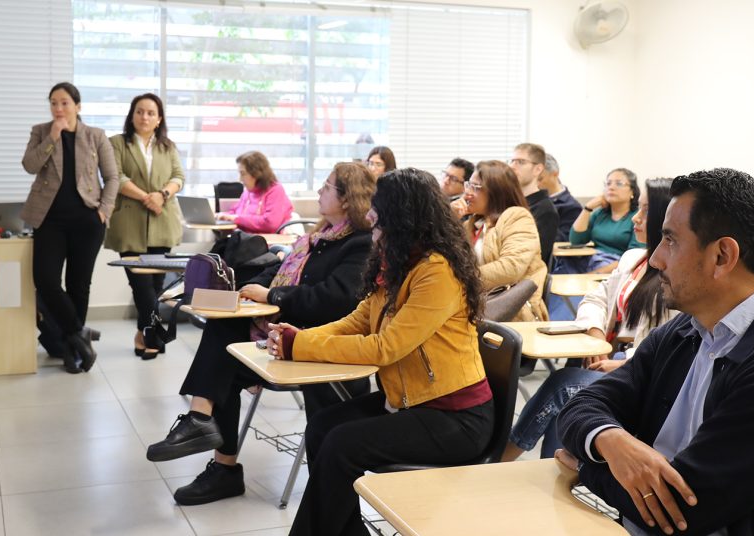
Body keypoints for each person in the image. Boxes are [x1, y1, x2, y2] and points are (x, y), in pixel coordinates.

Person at [556, 168, 754, 536]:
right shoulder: (689, 328)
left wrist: (584, 465)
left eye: (670, 241)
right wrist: (609, 438)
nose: (655, 259)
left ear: (722, 256)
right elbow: (583, 404)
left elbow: (684, 511)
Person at [266, 168, 493, 536]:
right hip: (408, 400)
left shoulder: (437, 272)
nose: (370, 216)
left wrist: (300, 345)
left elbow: (385, 348)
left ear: (402, 215)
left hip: (455, 417)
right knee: (324, 427)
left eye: (378, 209)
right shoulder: (399, 261)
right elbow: (357, 322)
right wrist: (299, 337)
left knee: (342, 444)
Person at [145, 162, 376, 506]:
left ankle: (205, 431)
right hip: (284, 331)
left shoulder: (358, 244)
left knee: (223, 353)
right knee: (224, 341)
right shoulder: (317, 237)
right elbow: (278, 270)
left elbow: (334, 299)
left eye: (326, 188)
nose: (318, 192)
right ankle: (207, 433)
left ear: (347, 199)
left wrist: (273, 297)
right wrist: (252, 287)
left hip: (318, 341)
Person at [501, 178, 675, 462]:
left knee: (564, 384)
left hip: (637, 372)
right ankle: (551, 464)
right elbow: (596, 297)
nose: (636, 218)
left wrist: (623, 361)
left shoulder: (674, 276)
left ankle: (506, 455)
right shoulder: (634, 258)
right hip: (607, 355)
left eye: (644, 211)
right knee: (569, 390)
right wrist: (596, 338)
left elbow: (667, 348)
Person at [21, 82, 119, 374]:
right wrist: (52, 137)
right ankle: (78, 333)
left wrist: (103, 211)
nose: (59, 108)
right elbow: (29, 165)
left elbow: (112, 177)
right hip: (49, 220)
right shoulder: (41, 131)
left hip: (87, 220)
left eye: (64, 103)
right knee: (46, 280)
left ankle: (70, 350)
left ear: (78, 105)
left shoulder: (95, 136)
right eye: (53, 103)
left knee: (78, 284)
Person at [104, 93, 185, 359]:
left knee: (157, 284)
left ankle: (143, 333)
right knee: (140, 284)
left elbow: (178, 176)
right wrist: (146, 197)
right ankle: (152, 335)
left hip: (163, 220)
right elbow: (115, 175)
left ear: (159, 118)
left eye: (151, 113)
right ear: (131, 114)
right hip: (129, 223)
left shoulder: (167, 146)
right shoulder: (117, 143)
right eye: (140, 112)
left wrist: (162, 195)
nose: (145, 117)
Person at [463, 160, 548, 320]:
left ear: (496, 192)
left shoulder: (517, 216)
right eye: (468, 185)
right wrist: (451, 217)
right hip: (477, 307)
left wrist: (462, 280)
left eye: (475, 188)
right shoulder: (472, 223)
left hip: (513, 312)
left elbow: (511, 267)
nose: (467, 193)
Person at [565, 167, 644, 274]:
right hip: (592, 261)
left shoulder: (637, 217)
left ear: (632, 191)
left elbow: (633, 258)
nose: (611, 187)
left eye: (619, 183)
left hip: (616, 268)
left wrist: (595, 274)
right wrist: (588, 208)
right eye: (608, 183)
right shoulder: (600, 213)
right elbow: (576, 240)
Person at [215, 151, 292, 234]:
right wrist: (222, 216)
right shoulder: (247, 192)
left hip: (266, 244)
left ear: (257, 173)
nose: (240, 179)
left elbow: (270, 223)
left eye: (243, 173)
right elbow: (235, 212)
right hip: (246, 240)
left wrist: (235, 218)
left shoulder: (276, 190)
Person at [511, 143, 559, 264]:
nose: (512, 167)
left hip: (526, 278)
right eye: (512, 161)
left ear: (538, 169)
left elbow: (534, 259)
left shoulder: (546, 210)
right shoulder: (511, 203)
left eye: (521, 162)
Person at [540, 153, 583, 241]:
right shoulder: (529, 199)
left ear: (555, 174)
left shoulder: (572, 207)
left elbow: (563, 241)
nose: (535, 183)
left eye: (540, 179)